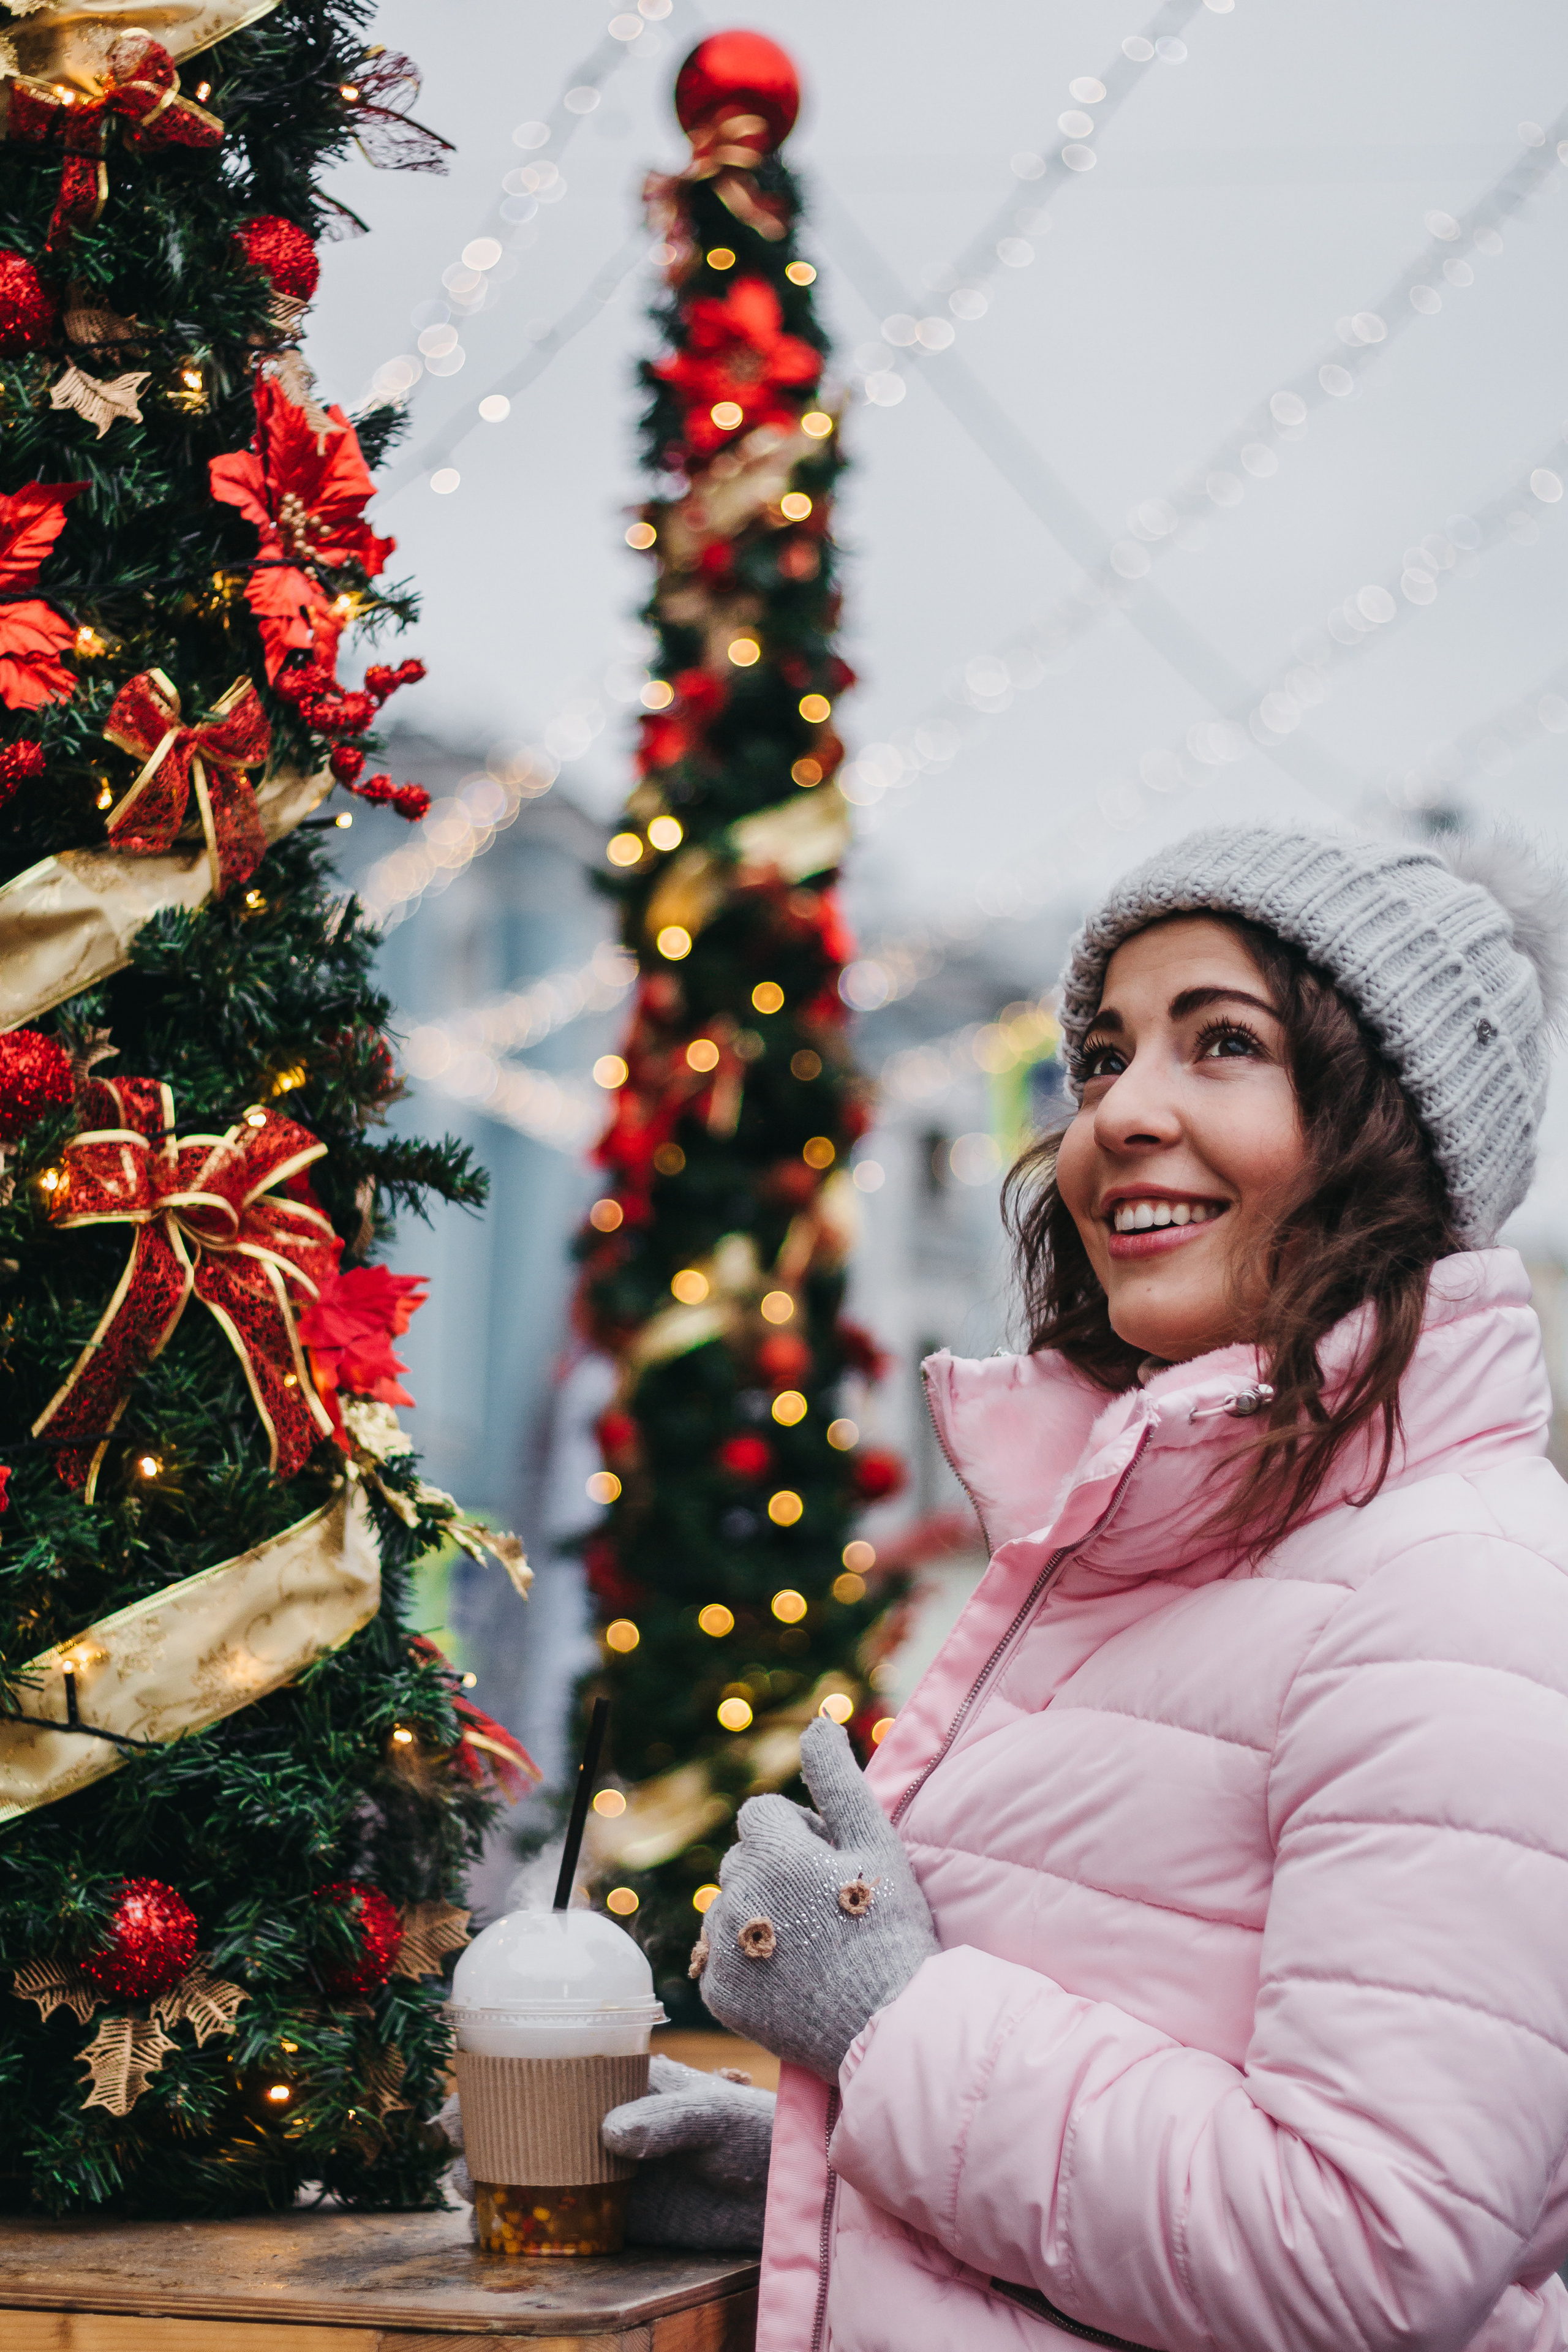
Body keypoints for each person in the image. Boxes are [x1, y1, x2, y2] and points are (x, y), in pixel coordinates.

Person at [604, 825, 1568, 2351]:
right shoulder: (1147, 1553)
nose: (1121, 1112)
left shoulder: (1456, 1596)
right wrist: (816, 2168)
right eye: (1105, 1056)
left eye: (1224, 1044)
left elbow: (1366, 2256)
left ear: (1398, 1138)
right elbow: (1133, 2079)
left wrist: (886, 2028)